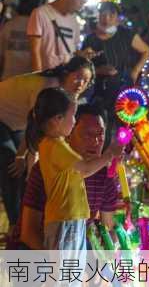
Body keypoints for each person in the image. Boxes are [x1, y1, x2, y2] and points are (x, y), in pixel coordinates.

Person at [0, 56, 95, 230]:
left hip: (15, 123)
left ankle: (22, 221)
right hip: (5, 117)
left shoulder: (65, 95)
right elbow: (35, 126)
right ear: (66, 73)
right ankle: (16, 226)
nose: (81, 83)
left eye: (86, 80)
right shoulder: (49, 89)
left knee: (22, 168)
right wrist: (21, 156)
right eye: (78, 77)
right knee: (12, 168)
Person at [9, 103, 118, 250]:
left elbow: (108, 228)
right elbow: (29, 233)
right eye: (88, 134)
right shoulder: (45, 169)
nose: (96, 141)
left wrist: (113, 240)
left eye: (100, 134)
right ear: (68, 135)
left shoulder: (104, 175)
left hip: (69, 245)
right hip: (35, 249)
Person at [82, 1, 149, 144]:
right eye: (103, 13)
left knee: (126, 132)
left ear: (118, 18)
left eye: (111, 14)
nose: (106, 18)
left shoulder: (126, 35)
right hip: (100, 93)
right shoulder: (91, 39)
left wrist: (135, 71)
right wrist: (100, 70)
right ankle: (104, 161)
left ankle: (123, 162)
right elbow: (84, 66)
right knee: (102, 132)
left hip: (125, 91)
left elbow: (147, 51)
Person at [27, 0, 94, 71]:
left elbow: (71, 50)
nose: (81, 7)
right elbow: (34, 52)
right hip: (46, 81)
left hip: (66, 82)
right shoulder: (40, 13)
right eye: (81, 2)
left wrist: (82, 54)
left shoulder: (74, 20)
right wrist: (38, 80)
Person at [0, 0, 44, 80]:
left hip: (8, 80)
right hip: (29, 82)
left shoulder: (9, 26)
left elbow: (1, 56)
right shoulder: (41, 28)